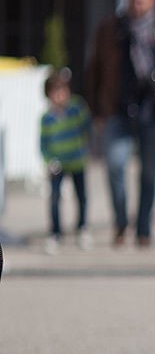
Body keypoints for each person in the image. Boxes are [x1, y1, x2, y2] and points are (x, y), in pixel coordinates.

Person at [85, 0, 155, 247]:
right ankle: (120, 222)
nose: (138, 2)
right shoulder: (111, 27)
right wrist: (97, 110)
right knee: (115, 166)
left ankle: (143, 228)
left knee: (149, 173)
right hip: (117, 108)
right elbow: (94, 69)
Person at [39, 69, 91, 254]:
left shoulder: (76, 108)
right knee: (54, 199)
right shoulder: (46, 118)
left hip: (77, 161)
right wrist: (48, 160)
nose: (60, 96)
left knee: (82, 197)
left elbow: (87, 125)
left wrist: (86, 147)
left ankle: (82, 227)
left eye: (63, 90)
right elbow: (43, 143)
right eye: (56, 92)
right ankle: (55, 233)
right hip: (57, 164)